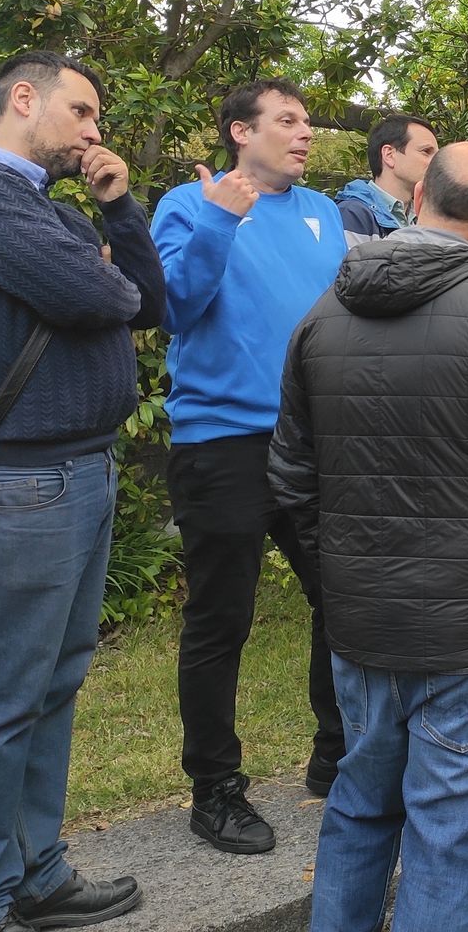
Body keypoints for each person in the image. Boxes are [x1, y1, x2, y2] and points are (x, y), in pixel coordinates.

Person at [267, 143, 468, 932]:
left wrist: (336, 585)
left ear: (418, 198)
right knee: (449, 834)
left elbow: (290, 481)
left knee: (360, 807)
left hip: (374, 622)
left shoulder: (324, 314)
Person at [0, 53, 163, 932]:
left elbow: (146, 304)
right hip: (18, 482)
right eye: (82, 111)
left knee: (53, 684)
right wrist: (99, 274)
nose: (95, 131)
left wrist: (118, 212)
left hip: (79, 471)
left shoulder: (51, 208)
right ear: (24, 98)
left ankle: (36, 875)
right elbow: (88, 294)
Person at [150, 78, 346, 854]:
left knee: (344, 599)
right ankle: (215, 789)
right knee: (220, 619)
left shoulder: (323, 210)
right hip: (222, 442)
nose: (305, 133)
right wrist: (220, 220)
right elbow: (172, 308)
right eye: (287, 120)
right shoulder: (188, 204)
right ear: (240, 131)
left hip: (314, 440)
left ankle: (338, 756)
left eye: (308, 121)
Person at [335, 112, 438, 243]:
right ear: (389, 155)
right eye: (426, 152)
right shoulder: (352, 214)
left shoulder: (424, 218)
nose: (436, 162)